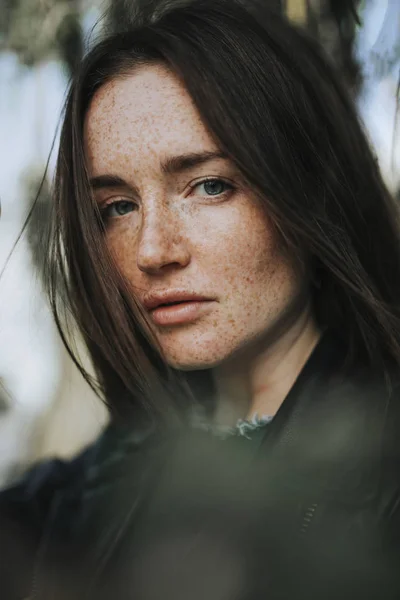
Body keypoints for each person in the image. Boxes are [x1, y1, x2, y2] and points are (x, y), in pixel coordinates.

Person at [1, 0, 400, 598]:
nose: (152, 251)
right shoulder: (94, 491)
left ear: (308, 187)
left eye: (209, 185)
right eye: (118, 206)